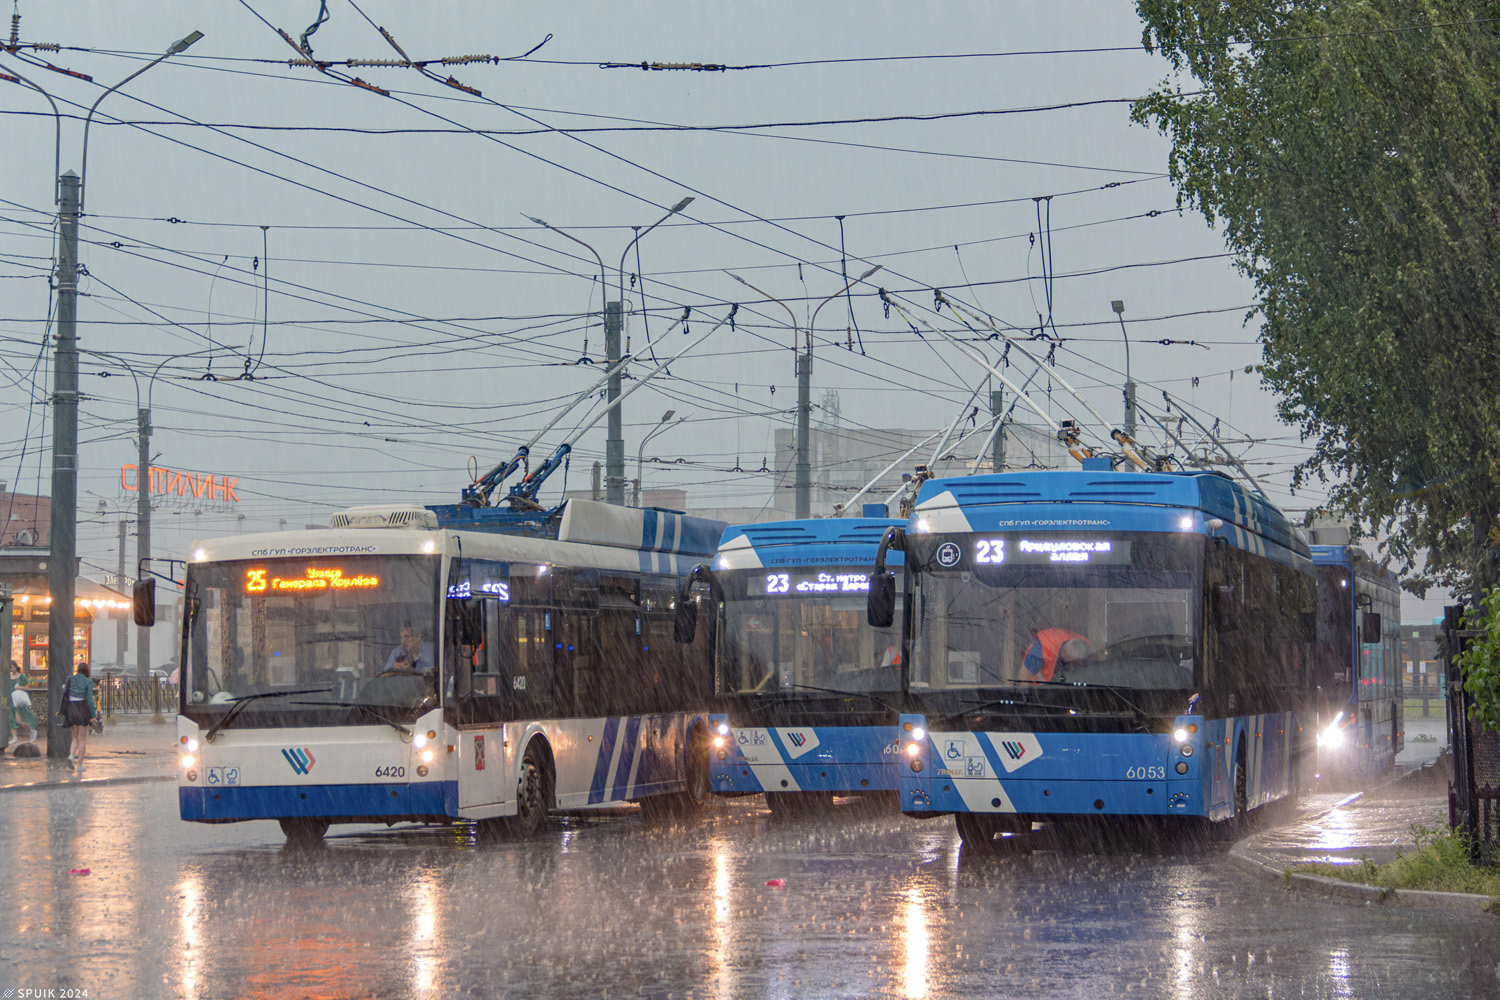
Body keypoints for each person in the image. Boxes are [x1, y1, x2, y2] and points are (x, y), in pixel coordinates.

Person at [61, 662, 97, 772]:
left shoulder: (70, 679)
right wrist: (93, 715)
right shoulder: (88, 681)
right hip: (82, 709)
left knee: (75, 738)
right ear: (87, 671)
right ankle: (80, 765)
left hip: (71, 709)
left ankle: (71, 756)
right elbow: (90, 700)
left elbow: (65, 693)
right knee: (82, 739)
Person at [1022, 627, 1091, 682]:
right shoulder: (1045, 646)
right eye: (1066, 652)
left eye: (1069, 657)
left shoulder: (1084, 653)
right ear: (1069, 641)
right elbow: (1024, 679)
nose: (1066, 655)